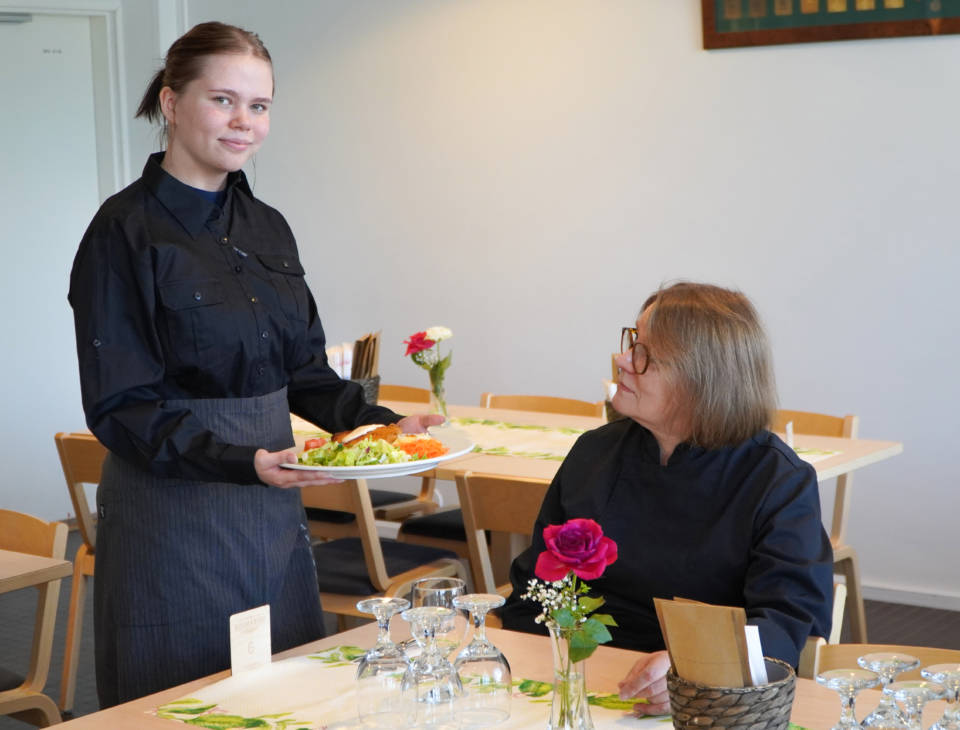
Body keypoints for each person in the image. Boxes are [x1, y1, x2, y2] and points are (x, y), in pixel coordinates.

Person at [68, 21, 441, 707]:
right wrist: (243, 460)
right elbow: (121, 406)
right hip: (171, 513)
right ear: (172, 102)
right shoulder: (123, 232)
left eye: (259, 106)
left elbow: (305, 373)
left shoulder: (268, 226)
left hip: (269, 514)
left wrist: (384, 426)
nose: (244, 122)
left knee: (285, 694)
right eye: (223, 101)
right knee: (182, 704)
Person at [499, 281, 833, 716]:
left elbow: (786, 624)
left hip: (709, 699)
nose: (622, 359)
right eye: (632, 342)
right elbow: (538, 587)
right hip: (585, 679)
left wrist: (695, 669)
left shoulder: (777, 480)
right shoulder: (595, 453)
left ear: (701, 378)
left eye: (644, 354)